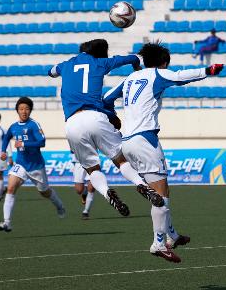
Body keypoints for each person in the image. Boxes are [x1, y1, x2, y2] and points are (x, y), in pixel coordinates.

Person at [103, 42, 224, 263]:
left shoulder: (128, 79)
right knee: (161, 195)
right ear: (163, 62)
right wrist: (208, 70)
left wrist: (114, 118)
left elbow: (106, 99)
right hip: (145, 140)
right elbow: (180, 77)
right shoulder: (157, 74)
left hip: (127, 142)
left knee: (160, 192)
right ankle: (158, 243)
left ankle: (172, 236)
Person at [48, 39, 164, 218]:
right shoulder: (100, 62)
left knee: (92, 169)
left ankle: (107, 193)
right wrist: (136, 67)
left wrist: (61, 71)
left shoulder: (66, 65)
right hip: (96, 117)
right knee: (121, 160)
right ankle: (141, 185)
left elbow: (50, 72)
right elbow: (131, 58)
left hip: (72, 123)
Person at [0, 97, 65, 232]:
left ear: (30, 111)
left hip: (36, 166)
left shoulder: (34, 125)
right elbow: (6, 137)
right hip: (21, 164)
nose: (24, 111)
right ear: (17, 110)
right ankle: (7, 222)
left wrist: (23, 143)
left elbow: (42, 142)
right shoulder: (14, 127)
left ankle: (59, 205)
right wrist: (3, 151)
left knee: (45, 192)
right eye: (21, 109)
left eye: (27, 109)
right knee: (10, 188)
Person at [71, 151, 95, 220]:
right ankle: (84, 193)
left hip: (92, 163)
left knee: (91, 187)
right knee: (79, 190)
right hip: (79, 163)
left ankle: (86, 212)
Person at [0, 112, 13, 201]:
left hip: (1, 156)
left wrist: (10, 156)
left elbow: (8, 144)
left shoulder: (2, 131)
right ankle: (2, 189)